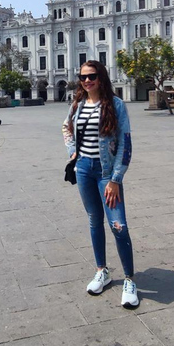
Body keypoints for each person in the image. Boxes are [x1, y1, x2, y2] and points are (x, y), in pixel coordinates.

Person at [62, 60, 138, 309]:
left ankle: (129, 279)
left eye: (92, 76)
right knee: (95, 220)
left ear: (101, 77)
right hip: (84, 169)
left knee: (118, 225)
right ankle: (102, 271)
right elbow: (66, 127)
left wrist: (116, 179)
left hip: (106, 173)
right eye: (82, 77)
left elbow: (124, 144)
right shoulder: (79, 105)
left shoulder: (115, 105)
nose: (86, 81)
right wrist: (73, 153)